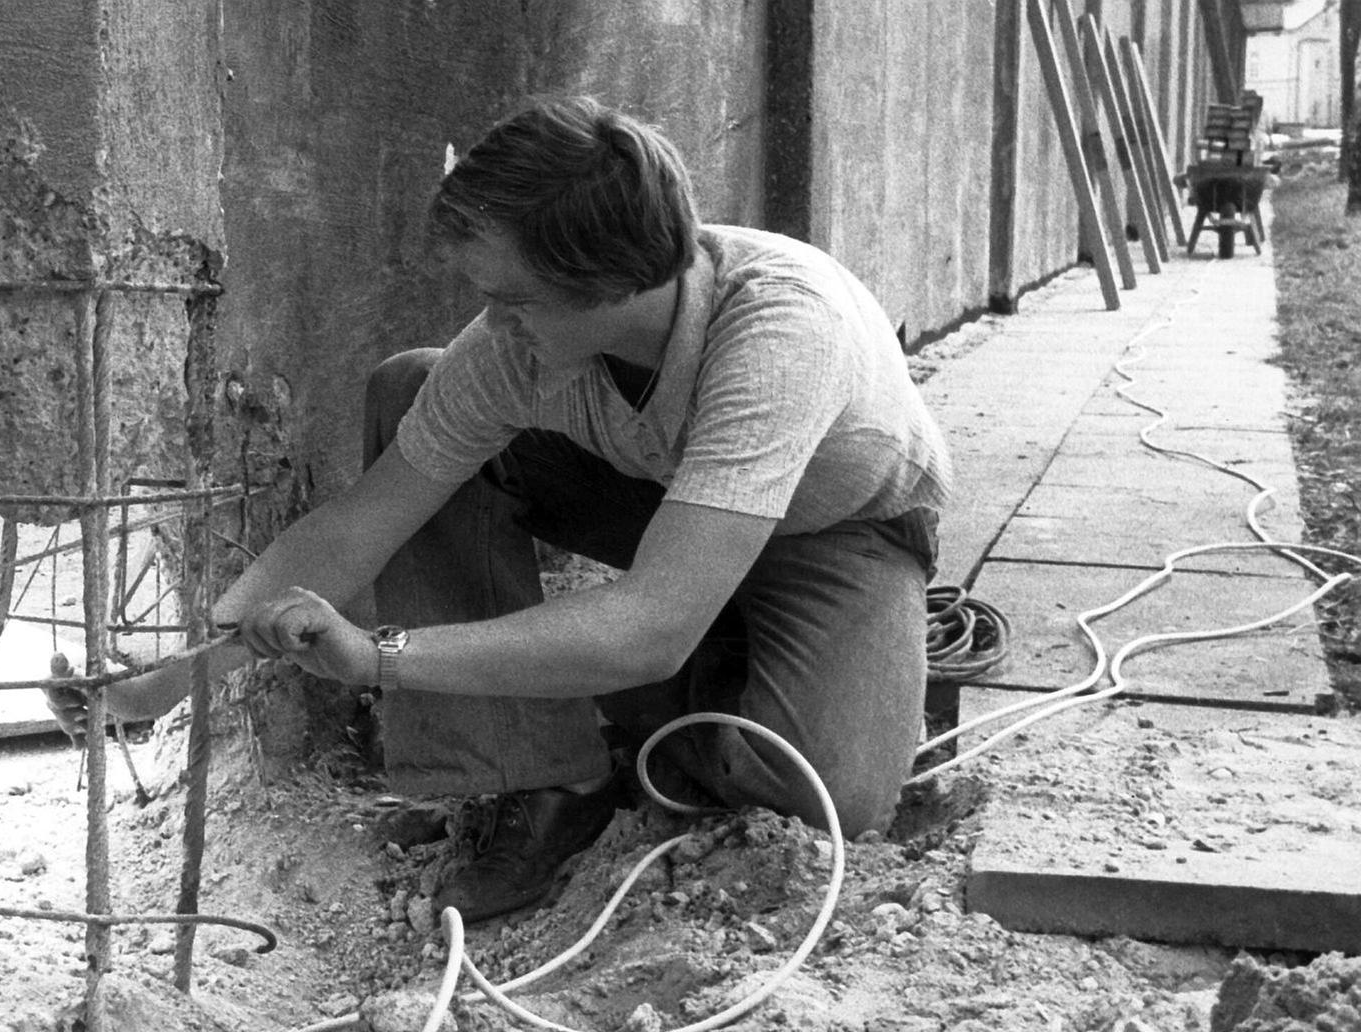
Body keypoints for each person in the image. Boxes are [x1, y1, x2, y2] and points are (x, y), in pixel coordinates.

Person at [100, 95, 952, 924]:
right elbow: (362, 525)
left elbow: (654, 625)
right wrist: (168, 683)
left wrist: (383, 656)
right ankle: (544, 772)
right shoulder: (516, 344)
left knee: (822, 793)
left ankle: (638, 695)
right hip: (657, 503)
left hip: (834, 530)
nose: (493, 324)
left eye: (516, 300)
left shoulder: (779, 332)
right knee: (413, 386)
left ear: (611, 279)